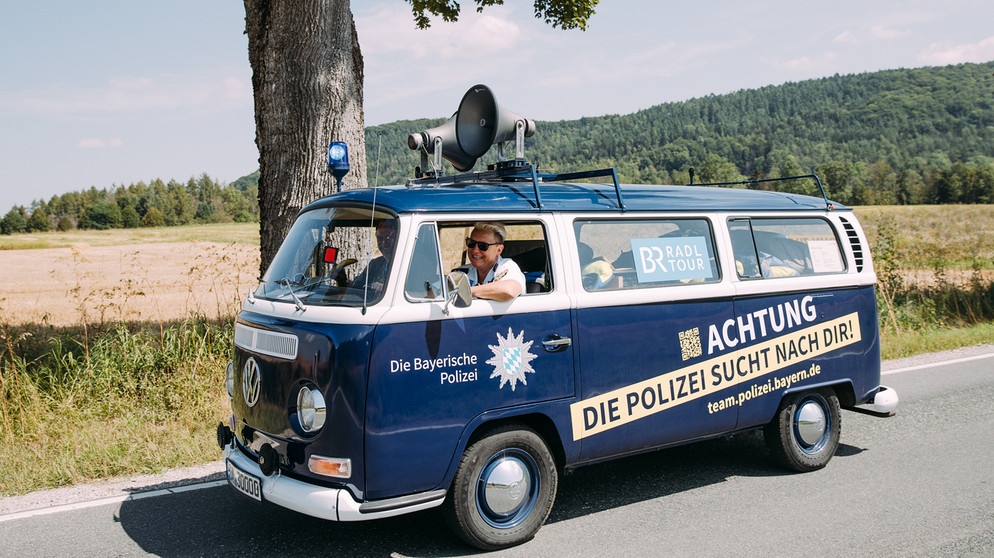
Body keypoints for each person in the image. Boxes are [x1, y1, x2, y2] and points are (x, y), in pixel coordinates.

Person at [462, 222, 525, 301]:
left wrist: (466, 291)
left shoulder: (507, 267)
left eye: (483, 246)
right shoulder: (462, 272)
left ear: (499, 250)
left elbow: (509, 290)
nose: (475, 250)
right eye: (471, 243)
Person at [352, 219, 398, 295]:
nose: (384, 243)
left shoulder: (413, 262)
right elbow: (356, 288)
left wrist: (386, 288)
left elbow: (418, 294)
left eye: (389, 238)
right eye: (380, 239)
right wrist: (341, 279)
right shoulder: (375, 264)